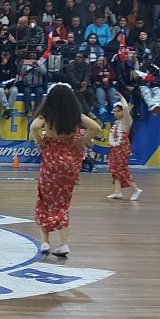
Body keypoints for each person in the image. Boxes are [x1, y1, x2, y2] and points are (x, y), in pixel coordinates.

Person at [30, 84, 102, 257]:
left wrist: (40, 141)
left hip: (51, 162)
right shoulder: (75, 115)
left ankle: (45, 242)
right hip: (70, 164)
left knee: (44, 200)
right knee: (62, 203)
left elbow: (33, 127)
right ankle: (63, 243)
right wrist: (82, 140)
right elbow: (96, 128)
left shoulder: (47, 115)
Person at [106, 96, 142, 201]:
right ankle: (118, 192)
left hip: (122, 149)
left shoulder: (127, 122)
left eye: (118, 111)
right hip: (115, 149)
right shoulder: (116, 123)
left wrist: (122, 98)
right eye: (114, 111)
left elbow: (126, 109)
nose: (115, 113)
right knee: (114, 169)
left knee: (122, 169)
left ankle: (136, 189)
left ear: (122, 112)